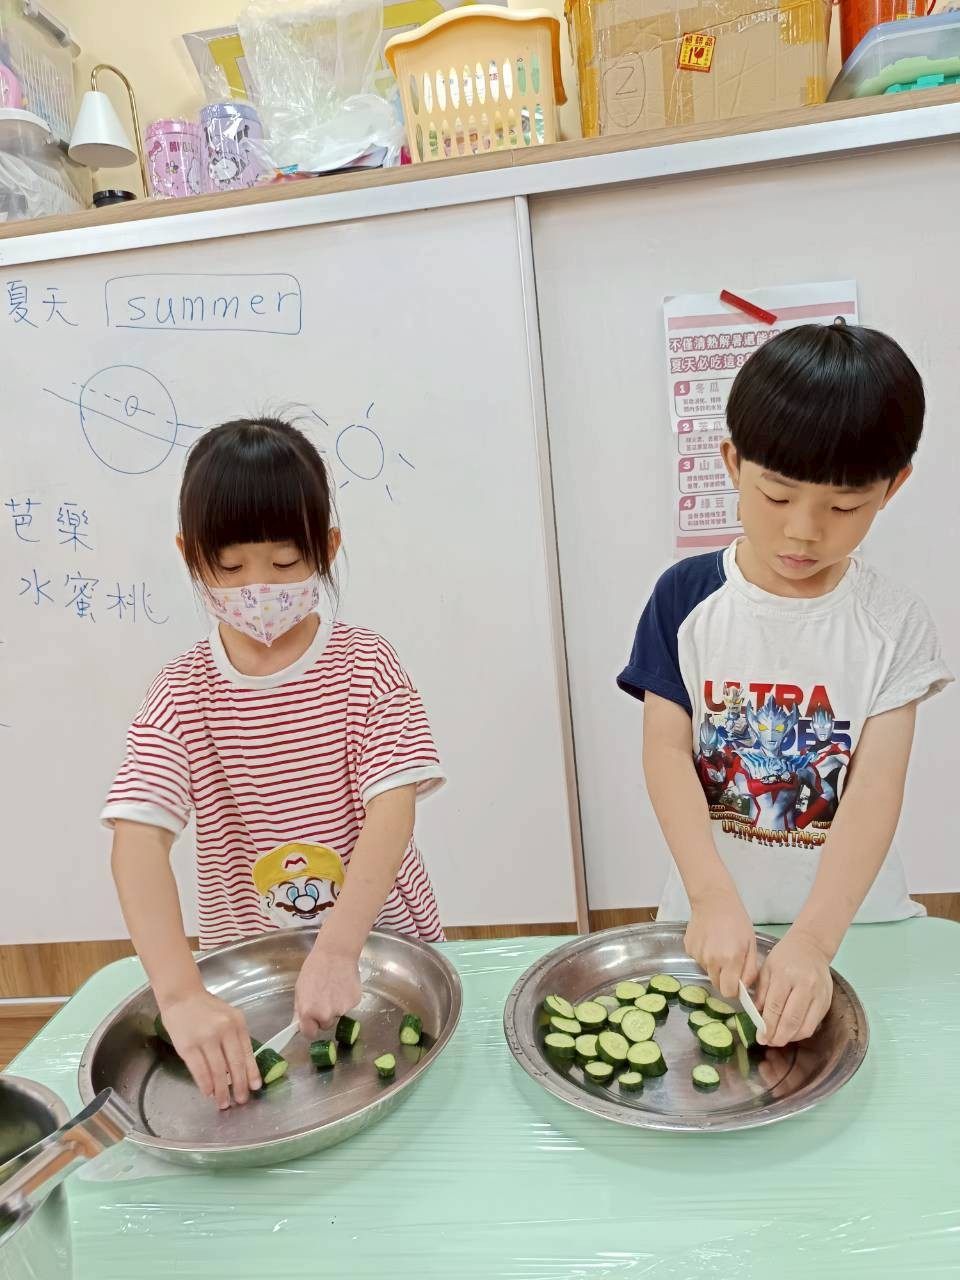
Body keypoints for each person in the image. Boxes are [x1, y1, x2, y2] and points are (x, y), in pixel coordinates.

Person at [618, 323, 952, 1049]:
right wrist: (709, 895)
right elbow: (667, 753)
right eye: (776, 496)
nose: (803, 532)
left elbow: (874, 789)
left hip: (852, 922)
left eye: (843, 508)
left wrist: (817, 940)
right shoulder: (684, 598)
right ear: (734, 464)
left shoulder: (894, 623)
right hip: (710, 914)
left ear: (893, 488)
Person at [103, 417, 445, 1107]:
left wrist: (340, 948)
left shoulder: (366, 666)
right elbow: (137, 840)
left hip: (383, 948)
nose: (258, 586)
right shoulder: (182, 692)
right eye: (231, 568)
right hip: (253, 970)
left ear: (327, 548)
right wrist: (180, 994)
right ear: (190, 557)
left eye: (285, 563)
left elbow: (392, 810)